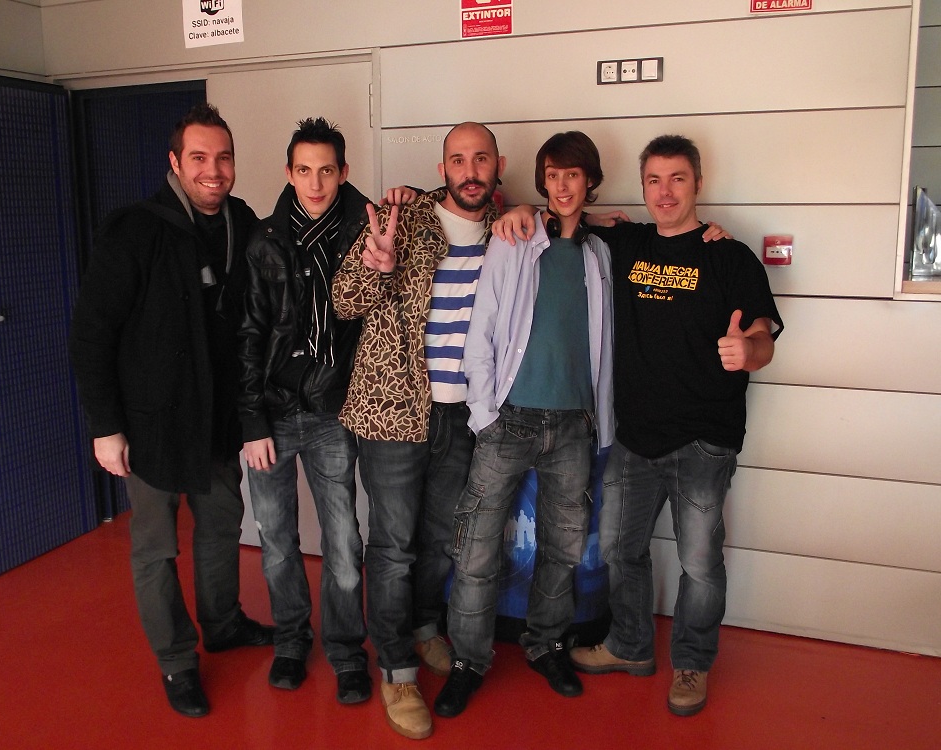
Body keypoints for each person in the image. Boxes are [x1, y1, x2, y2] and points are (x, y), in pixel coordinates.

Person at [494, 134, 782, 717]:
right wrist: (521, 207)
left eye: (677, 179)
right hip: (634, 438)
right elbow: (567, 212)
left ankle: (692, 663)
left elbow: (763, 334)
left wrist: (747, 352)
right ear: (643, 186)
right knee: (621, 551)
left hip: (705, 439)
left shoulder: (730, 256)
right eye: (654, 180)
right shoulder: (626, 242)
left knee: (699, 563)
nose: (665, 192)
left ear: (698, 183)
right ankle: (630, 645)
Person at [68, 102, 273, 718]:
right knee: (156, 547)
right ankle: (177, 660)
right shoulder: (134, 229)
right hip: (150, 426)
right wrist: (106, 427)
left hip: (218, 421)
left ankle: (223, 623)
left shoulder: (242, 221)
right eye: (199, 158)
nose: (214, 170)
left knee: (221, 529)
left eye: (224, 157)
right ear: (175, 163)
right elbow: (91, 334)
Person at [331, 122, 505, 740]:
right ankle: (397, 668)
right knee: (394, 546)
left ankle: (426, 626)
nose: (469, 170)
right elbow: (344, 300)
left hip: (464, 413)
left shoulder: (510, 229)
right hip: (393, 410)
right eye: (458, 159)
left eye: (480, 158)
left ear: (496, 165)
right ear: (443, 167)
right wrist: (377, 267)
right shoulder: (398, 217)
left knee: (439, 538)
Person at [432, 131, 615, 719]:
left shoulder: (599, 255)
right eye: (552, 175)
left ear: (590, 181)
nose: (563, 186)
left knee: (562, 549)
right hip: (507, 423)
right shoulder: (513, 241)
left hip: (572, 427)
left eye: (573, 175)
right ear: (541, 181)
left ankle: (546, 645)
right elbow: (481, 332)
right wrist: (485, 417)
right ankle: (468, 661)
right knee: (476, 550)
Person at [237, 117, 371, 705]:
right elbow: (248, 334)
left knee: (342, 544)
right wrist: (251, 421)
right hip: (270, 412)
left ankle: (345, 650)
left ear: (343, 173)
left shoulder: (364, 232)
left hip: (330, 411)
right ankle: (291, 641)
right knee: (276, 540)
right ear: (289, 173)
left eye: (326, 171)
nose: (315, 184)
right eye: (304, 170)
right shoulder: (265, 240)